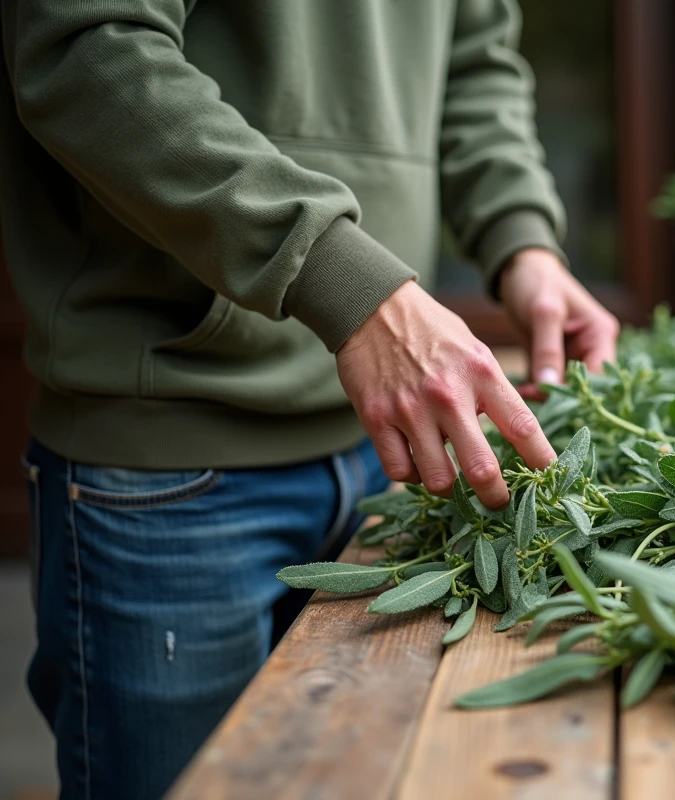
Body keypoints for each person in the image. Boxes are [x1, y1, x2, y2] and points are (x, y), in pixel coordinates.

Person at [0, 1, 620, 797]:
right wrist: (349, 287)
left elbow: (473, 65)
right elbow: (87, 50)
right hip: (168, 468)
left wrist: (521, 241)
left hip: (387, 459)